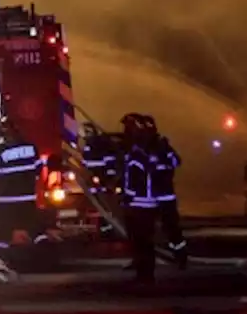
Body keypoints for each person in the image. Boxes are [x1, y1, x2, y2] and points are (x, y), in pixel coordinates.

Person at [0, 119, 44, 251]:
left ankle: (1, 256)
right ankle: (39, 253)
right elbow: (39, 170)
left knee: (5, 232)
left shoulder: (0, 151)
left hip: (8, 202)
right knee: (32, 229)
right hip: (28, 200)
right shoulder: (31, 148)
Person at [120, 113, 160, 283]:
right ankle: (146, 272)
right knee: (145, 241)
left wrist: (127, 198)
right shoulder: (147, 156)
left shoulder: (136, 159)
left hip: (138, 205)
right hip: (149, 204)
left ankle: (144, 274)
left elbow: (133, 181)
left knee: (140, 241)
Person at [145, 116, 188, 268]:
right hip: (151, 197)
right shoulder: (144, 148)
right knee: (148, 230)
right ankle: (151, 258)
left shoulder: (161, 146)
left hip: (163, 196)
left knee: (170, 227)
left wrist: (161, 163)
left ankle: (180, 256)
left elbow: (176, 161)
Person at [81, 122, 119, 235]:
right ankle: (100, 225)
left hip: (101, 179)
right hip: (95, 179)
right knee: (96, 203)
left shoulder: (99, 146)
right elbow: (85, 162)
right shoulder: (89, 146)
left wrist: (109, 179)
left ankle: (107, 225)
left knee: (104, 203)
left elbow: (108, 161)